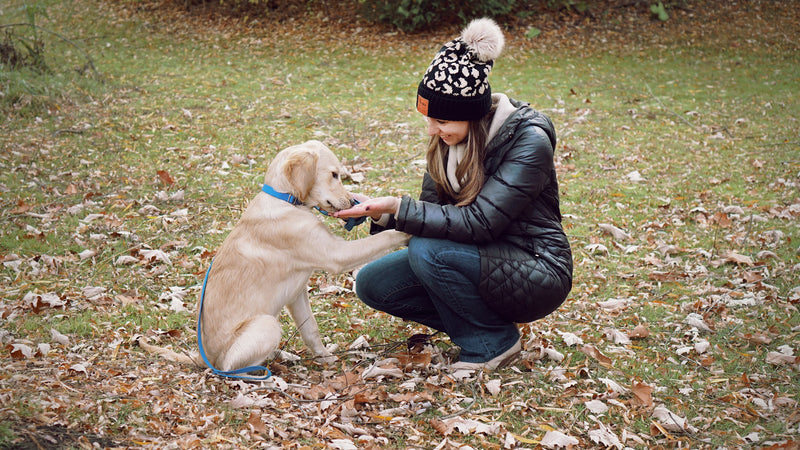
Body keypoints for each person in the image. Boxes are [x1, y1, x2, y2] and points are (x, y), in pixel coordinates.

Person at [334, 18, 573, 371]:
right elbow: (433, 215)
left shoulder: (529, 141)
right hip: (480, 260)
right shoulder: (449, 142)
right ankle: (485, 329)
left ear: (470, 114)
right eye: (429, 119)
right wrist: (378, 213)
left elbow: (481, 223)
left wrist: (401, 208)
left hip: (537, 267)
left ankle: (491, 344)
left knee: (429, 251)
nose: (432, 129)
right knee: (374, 283)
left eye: (442, 121)